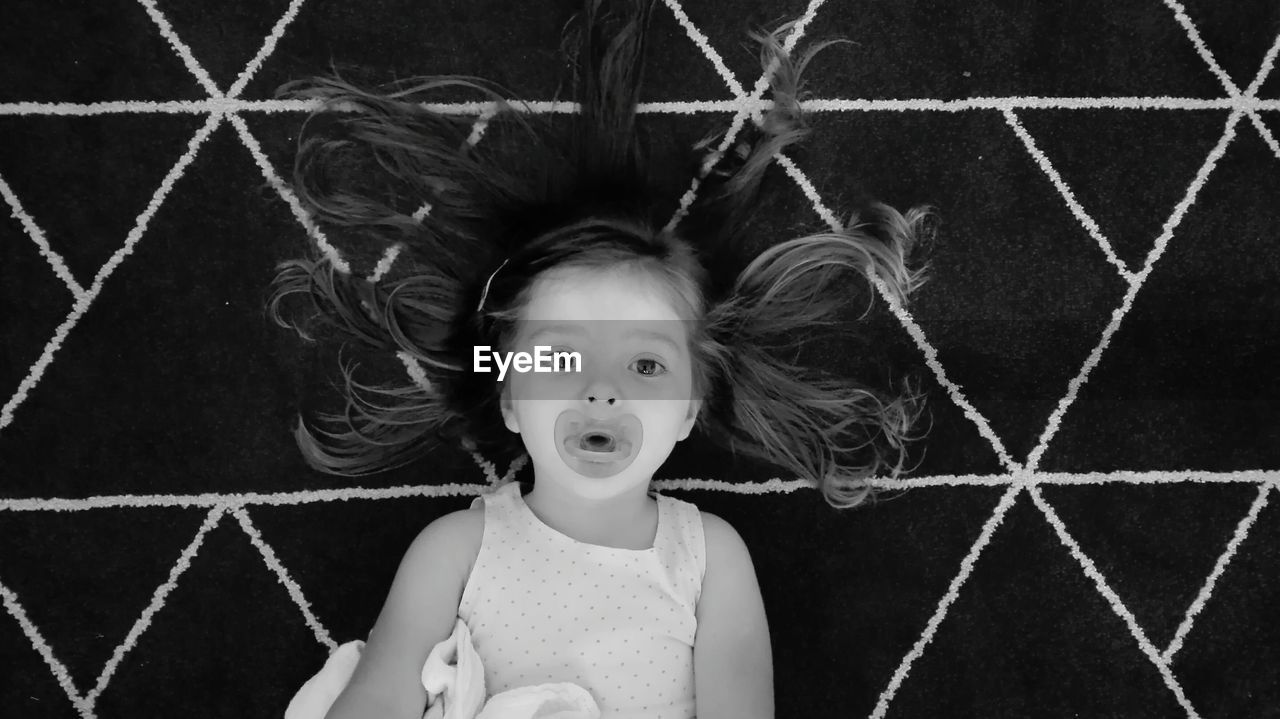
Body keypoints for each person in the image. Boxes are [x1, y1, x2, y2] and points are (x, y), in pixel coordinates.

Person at [267, 1, 935, 717]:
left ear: (688, 409)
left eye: (645, 366)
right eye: (559, 358)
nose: (602, 390)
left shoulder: (710, 557)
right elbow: (378, 698)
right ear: (510, 395)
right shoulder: (456, 547)